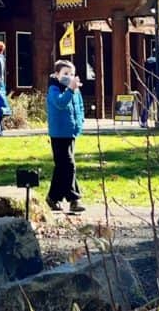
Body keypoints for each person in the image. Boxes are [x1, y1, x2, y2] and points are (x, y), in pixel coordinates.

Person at [46, 60, 86, 213]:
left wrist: (80, 120)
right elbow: (60, 103)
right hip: (58, 133)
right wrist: (70, 90)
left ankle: (53, 197)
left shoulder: (75, 90)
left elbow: (79, 106)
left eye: (71, 74)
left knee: (61, 167)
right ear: (57, 75)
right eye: (65, 74)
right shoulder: (54, 89)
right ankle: (74, 198)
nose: (69, 77)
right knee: (69, 165)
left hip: (70, 131)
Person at [140, 47, 159, 128]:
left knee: (148, 103)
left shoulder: (147, 61)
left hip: (149, 85)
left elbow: (146, 73)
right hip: (157, 85)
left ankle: (143, 120)